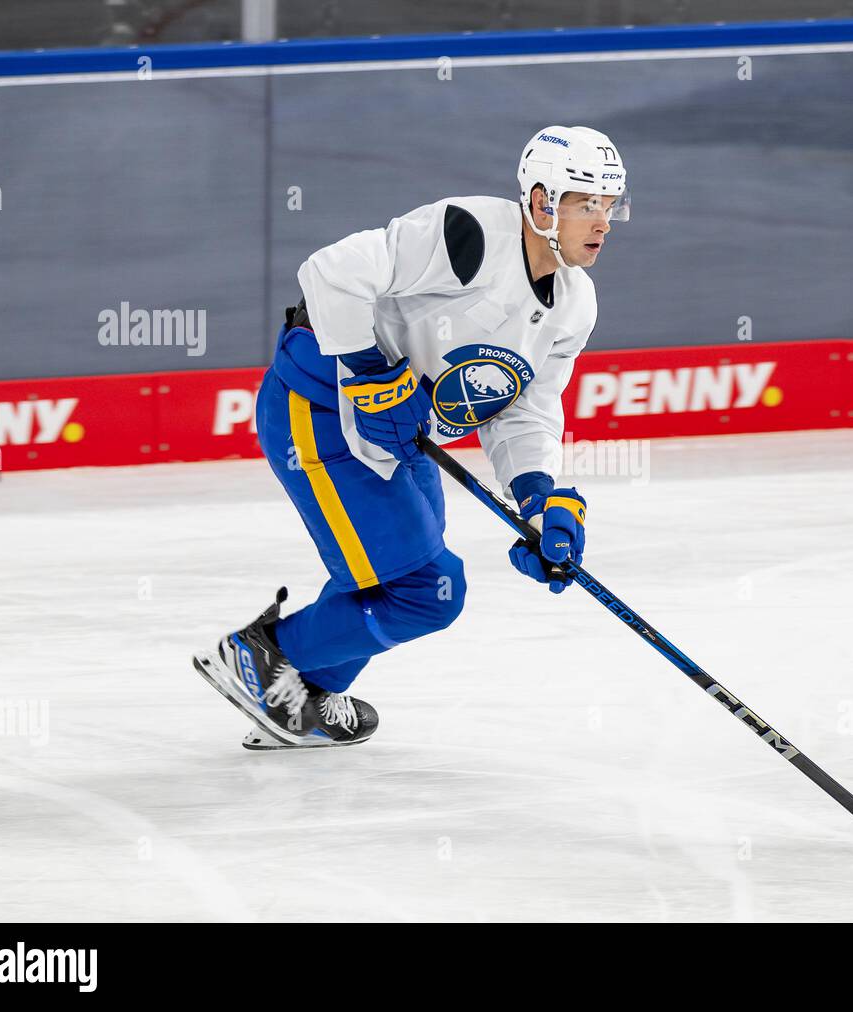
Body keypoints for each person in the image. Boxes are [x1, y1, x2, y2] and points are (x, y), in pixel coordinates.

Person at [192, 125, 629, 749]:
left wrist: (538, 498)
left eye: (610, 206)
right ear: (540, 202)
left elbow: (525, 406)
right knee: (427, 590)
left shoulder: (574, 304)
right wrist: (372, 374)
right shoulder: (469, 235)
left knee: (390, 572)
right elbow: (330, 273)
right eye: (587, 203)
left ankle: (302, 696)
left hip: (398, 432)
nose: (603, 221)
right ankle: (260, 662)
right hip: (315, 412)